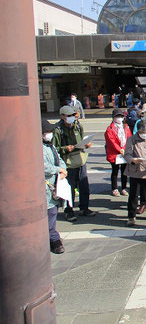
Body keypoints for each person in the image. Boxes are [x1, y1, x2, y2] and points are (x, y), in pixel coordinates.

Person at [53, 105, 95, 222]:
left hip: (80, 159)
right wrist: (65, 148)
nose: (72, 118)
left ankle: (84, 208)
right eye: (69, 116)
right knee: (69, 188)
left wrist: (86, 144)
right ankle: (68, 211)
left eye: (73, 115)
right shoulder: (58, 130)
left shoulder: (77, 126)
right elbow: (54, 148)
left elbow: (82, 139)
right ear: (62, 116)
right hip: (68, 162)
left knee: (84, 186)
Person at [42, 120, 68, 254]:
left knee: (53, 210)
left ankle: (52, 234)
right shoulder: (38, 147)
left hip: (56, 183)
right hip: (47, 185)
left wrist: (63, 169)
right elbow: (44, 166)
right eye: (47, 132)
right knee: (50, 211)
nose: (50, 134)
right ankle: (53, 238)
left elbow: (59, 158)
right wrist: (58, 169)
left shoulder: (50, 146)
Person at [104, 108, 132, 197]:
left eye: (121, 116)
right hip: (114, 154)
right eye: (117, 116)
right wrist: (120, 149)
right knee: (115, 171)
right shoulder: (110, 129)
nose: (119, 118)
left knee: (124, 171)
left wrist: (125, 149)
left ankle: (124, 188)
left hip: (124, 152)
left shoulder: (126, 127)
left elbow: (129, 138)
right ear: (113, 118)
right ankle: (114, 188)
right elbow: (111, 142)